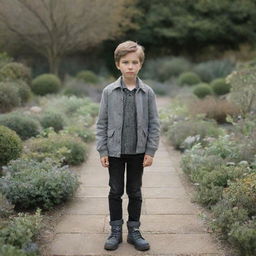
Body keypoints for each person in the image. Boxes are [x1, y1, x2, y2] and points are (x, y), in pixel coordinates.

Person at [96, 40, 160, 251]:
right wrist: (102, 150)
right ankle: (115, 231)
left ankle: (134, 230)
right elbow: (102, 123)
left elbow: (154, 124)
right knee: (115, 191)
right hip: (114, 152)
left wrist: (150, 151)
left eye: (134, 62)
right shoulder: (109, 91)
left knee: (135, 191)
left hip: (138, 152)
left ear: (140, 64)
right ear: (118, 64)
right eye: (126, 62)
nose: (130, 66)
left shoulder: (147, 92)